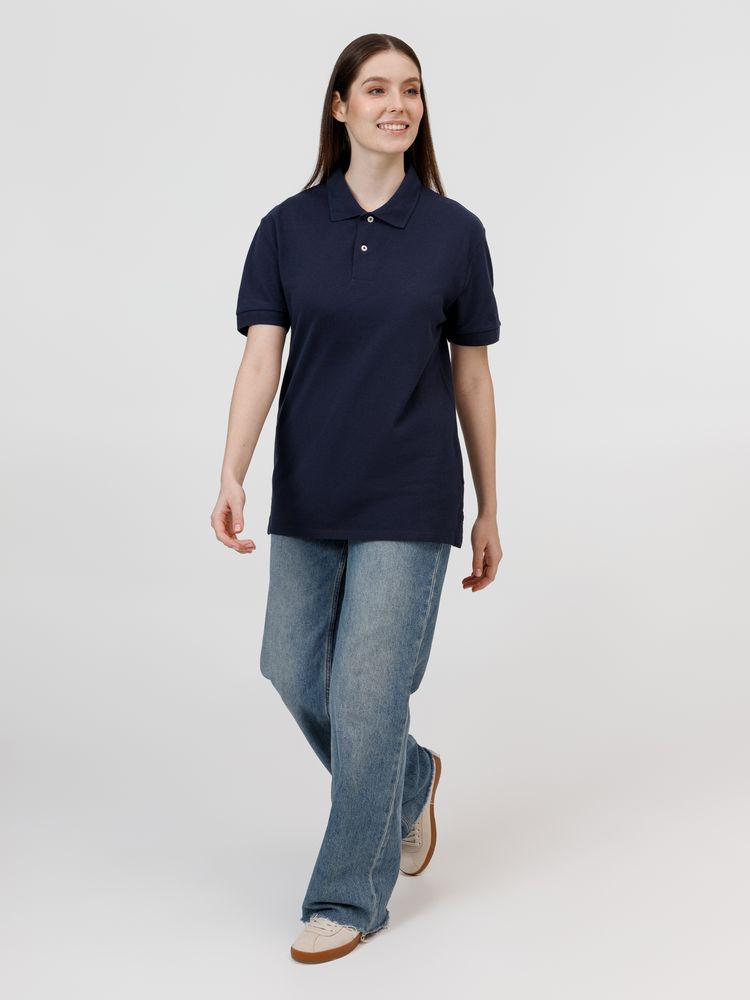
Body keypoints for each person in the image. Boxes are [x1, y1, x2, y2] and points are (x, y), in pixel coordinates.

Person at [211, 32, 503, 964]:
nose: (397, 105)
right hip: (310, 489)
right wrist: (232, 470)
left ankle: (348, 894)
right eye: (376, 89)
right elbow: (262, 358)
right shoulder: (286, 228)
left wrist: (489, 505)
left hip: (412, 494)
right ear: (340, 107)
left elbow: (472, 377)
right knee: (291, 670)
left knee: (369, 694)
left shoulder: (455, 234)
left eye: (410, 90)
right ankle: (408, 781)